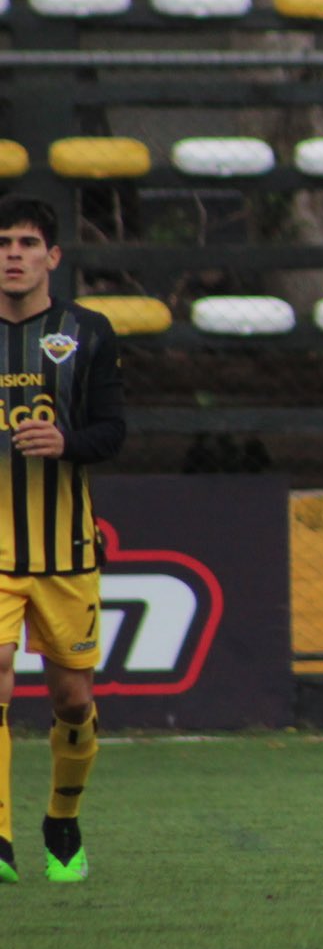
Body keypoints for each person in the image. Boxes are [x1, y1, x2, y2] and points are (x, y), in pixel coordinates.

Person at [0, 197, 126, 884]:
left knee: (72, 699)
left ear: (52, 257)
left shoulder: (89, 332)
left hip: (66, 554)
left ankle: (62, 818)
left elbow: (114, 432)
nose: (12, 253)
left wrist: (65, 442)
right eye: (2, 242)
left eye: (26, 242)